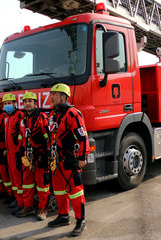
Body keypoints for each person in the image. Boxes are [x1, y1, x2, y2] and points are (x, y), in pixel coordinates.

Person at [47, 83, 90, 236]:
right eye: (51, 94)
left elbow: (82, 136)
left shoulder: (72, 113)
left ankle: (81, 221)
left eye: (55, 94)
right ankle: (63, 216)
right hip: (56, 160)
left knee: (76, 192)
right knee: (58, 189)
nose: (51, 97)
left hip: (70, 160)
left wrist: (82, 157)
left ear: (64, 97)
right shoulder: (53, 114)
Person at [16, 92, 51, 220]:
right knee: (26, 182)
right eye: (25, 102)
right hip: (26, 156)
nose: (27, 104)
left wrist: (46, 154)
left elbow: (49, 137)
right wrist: (19, 151)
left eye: (30, 101)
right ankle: (28, 206)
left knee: (42, 184)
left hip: (40, 156)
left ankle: (43, 209)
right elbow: (20, 136)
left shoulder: (42, 118)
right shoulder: (23, 119)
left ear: (35, 103)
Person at [3, 93, 24, 215]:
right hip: (9, 151)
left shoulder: (19, 115)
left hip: (16, 151)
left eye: (9, 103)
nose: (7, 106)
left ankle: (21, 203)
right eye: (5, 104)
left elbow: (21, 132)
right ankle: (17, 199)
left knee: (18, 178)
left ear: (15, 103)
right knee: (13, 177)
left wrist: (19, 144)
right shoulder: (6, 116)